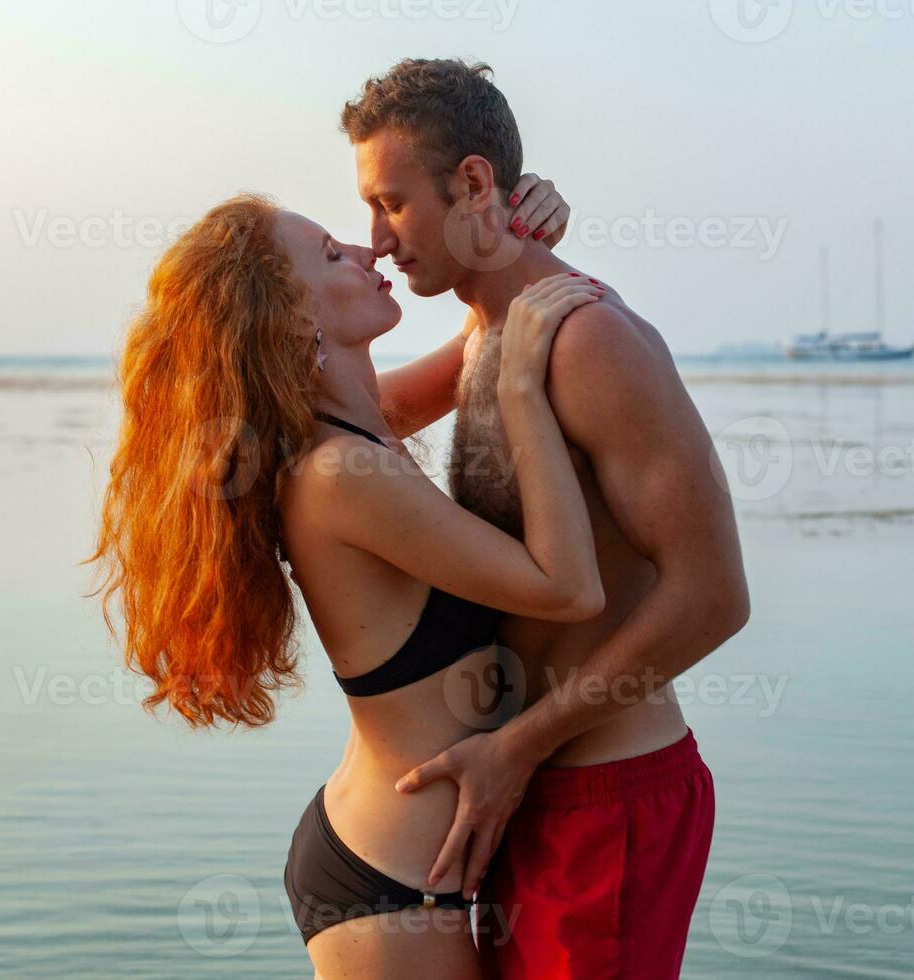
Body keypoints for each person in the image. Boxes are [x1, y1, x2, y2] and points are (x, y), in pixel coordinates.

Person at [89, 187, 608, 979]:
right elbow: (568, 589)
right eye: (332, 253)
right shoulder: (339, 473)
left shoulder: (360, 424)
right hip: (391, 890)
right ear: (292, 319)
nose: (370, 252)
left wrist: (513, 222)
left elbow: (491, 327)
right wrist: (521, 396)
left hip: (401, 862)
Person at [341, 58, 751, 979]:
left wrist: (518, 748)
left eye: (392, 203)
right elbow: (344, 420)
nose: (376, 241)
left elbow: (716, 595)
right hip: (521, 782)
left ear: (474, 182)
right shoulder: (492, 336)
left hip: (602, 794)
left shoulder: (589, 341)